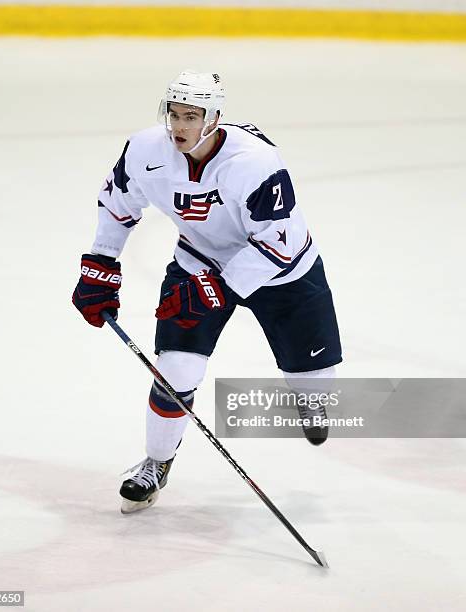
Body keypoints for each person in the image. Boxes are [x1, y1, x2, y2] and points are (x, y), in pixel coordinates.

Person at [72, 70, 342, 513]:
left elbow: (281, 241)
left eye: (191, 116)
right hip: (200, 260)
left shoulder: (254, 162)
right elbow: (117, 203)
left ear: (214, 118)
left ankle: (311, 400)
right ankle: (156, 463)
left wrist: (218, 288)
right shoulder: (144, 150)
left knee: (313, 380)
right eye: (173, 114)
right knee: (174, 370)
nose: (179, 126)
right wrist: (101, 263)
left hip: (282, 273)